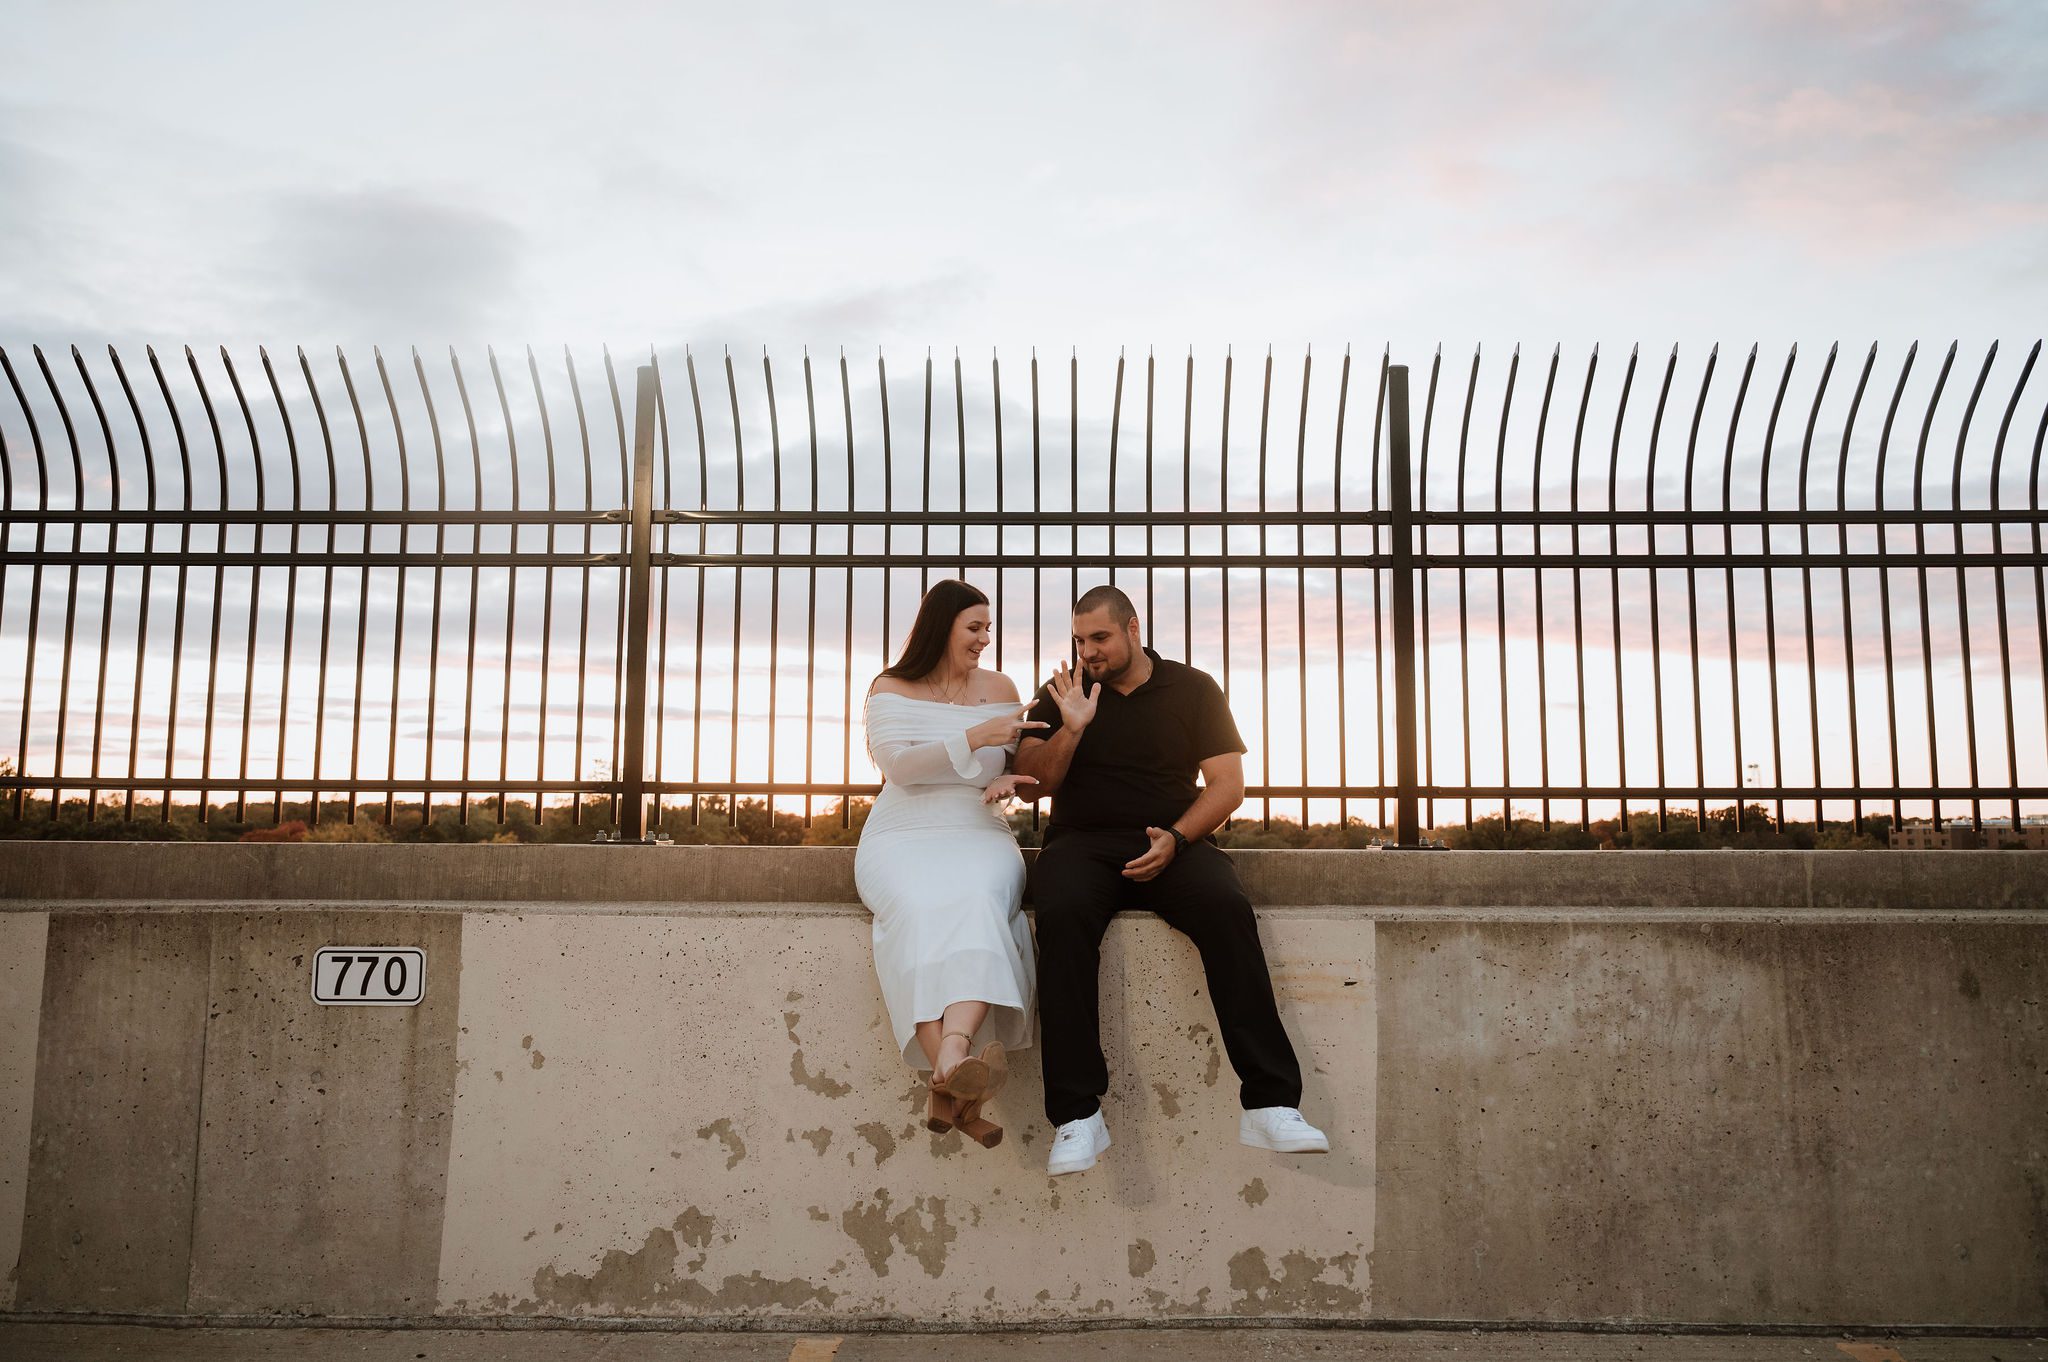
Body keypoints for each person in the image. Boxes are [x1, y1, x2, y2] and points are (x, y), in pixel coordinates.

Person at [1014, 584, 1328, 1175]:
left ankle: (1270, 1101)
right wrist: (1072, 727)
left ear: (1134, 629)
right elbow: (1034, 781)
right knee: (1061, 916)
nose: (1089, 651)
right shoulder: (1063, 692)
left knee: (1226, 908)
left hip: (1174, 839)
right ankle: (1077, 1115)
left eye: (1100, 638)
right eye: (1080, 640)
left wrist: (1177, 840)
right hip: (1082, 844)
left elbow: (1228, 787)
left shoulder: (1194, 687)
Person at [855, 579, 1046, 1148]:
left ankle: (949, 1067)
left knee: (980, 901)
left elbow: (1012, 763)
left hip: (978, 831)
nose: (985, 639)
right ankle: (958, 1071)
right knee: (917, 911)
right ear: (942, 627)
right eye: (974, 627)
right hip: (902, 833)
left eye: (988, 628)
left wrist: (1008, 778)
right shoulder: (890, 687)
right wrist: (975, 734)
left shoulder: (1002, 687)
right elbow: (899, 767)